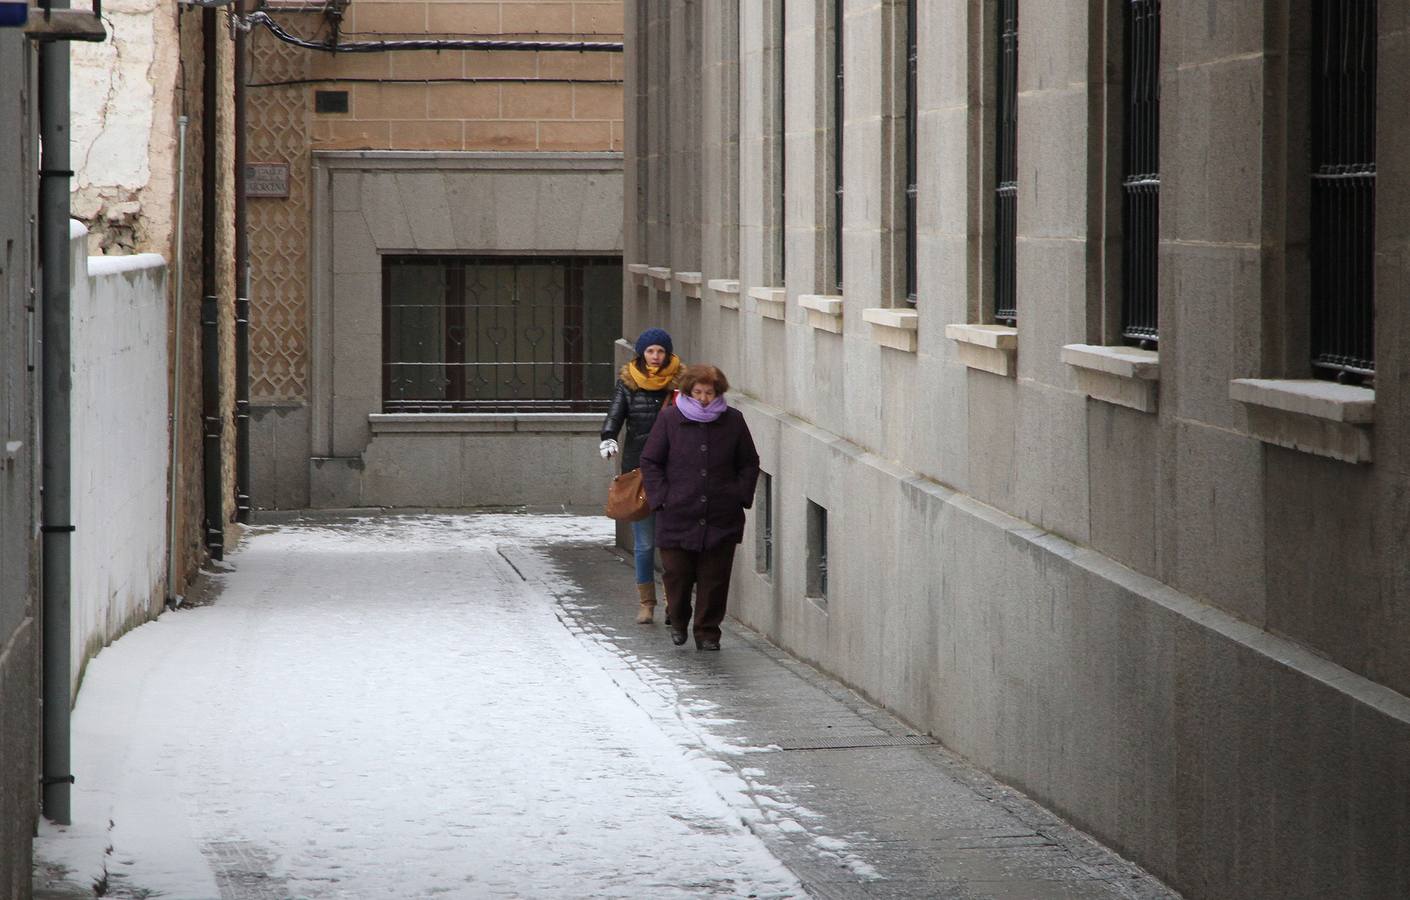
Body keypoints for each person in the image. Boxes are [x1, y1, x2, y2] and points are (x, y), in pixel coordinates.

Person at [638, 364, 759, 651]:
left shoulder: (733, 420)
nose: (704, 398)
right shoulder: (670, 418)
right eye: (698, 392)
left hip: (721, 514)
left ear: (718, 393)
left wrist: (739, 495)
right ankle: (678, 620)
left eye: (709, 392)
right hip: (677, 513)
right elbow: (650, 461)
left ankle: (707, 632)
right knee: (677, 574)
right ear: (688, 391)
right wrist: (662, 498)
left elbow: (749, 462)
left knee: (714, 578)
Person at [599, 328, 682, 624]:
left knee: (672, 543)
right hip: (639, 472)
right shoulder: (628, 383)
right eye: (650, 351)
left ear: (668, 354)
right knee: (645, 543)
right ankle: (647, 602)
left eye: (660, 351)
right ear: (641, 354)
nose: (656, 357)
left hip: (674, 473)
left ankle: (675, 602)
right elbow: (615, 415)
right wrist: (608, 437)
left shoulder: (679, 384)